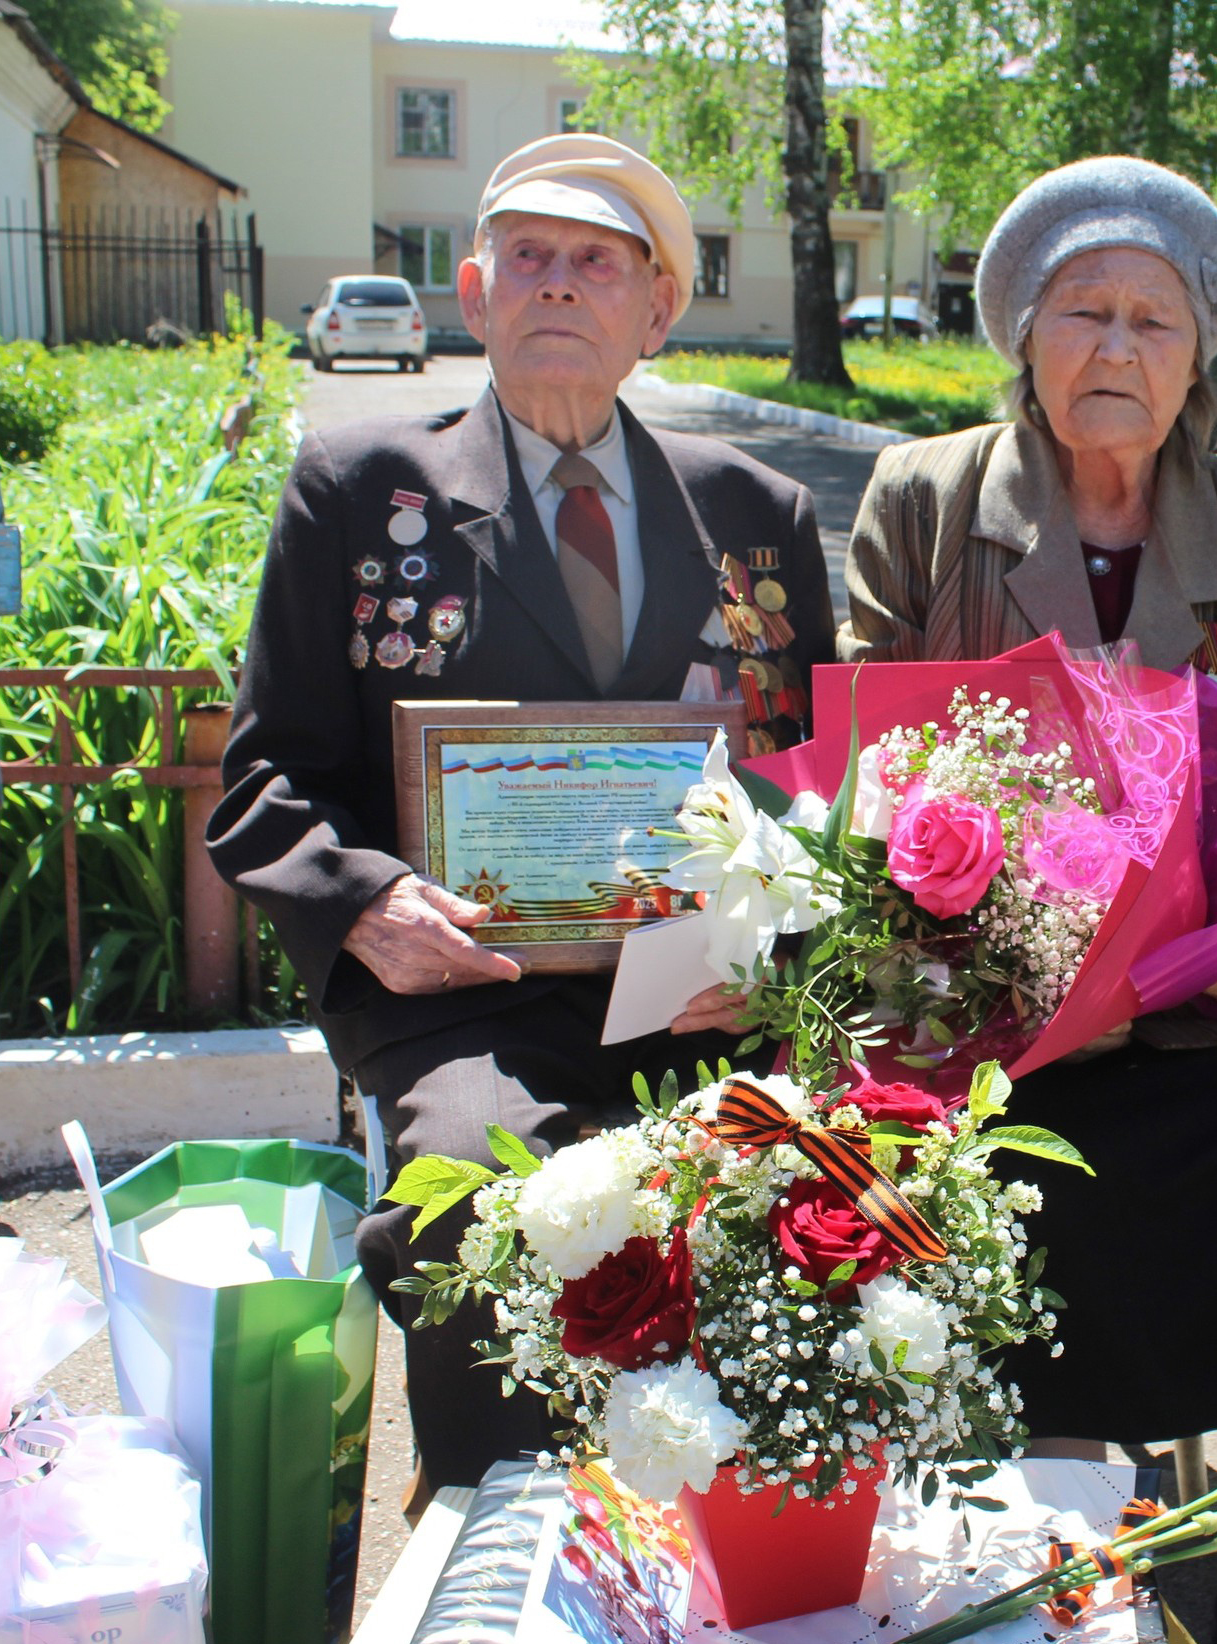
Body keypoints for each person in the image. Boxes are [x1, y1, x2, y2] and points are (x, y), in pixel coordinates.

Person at [208, 133, 834, 1495]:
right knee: (489, 1200)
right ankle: (504, 1541)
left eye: (597, 263)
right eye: (528, 260)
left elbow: (800, 784)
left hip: (698, 995)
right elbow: (268, 775)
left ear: (656, 310)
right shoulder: (359, 493)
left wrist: (760, 951)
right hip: (460, 996)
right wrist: (365, 903)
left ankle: (745, 1540)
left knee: (834, 1189)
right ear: (476, 297)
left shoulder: (756, 515)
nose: (559, 286)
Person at [837, 155, 1217, 1644]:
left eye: (1154, 319)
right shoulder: (924, 504)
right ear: (1021, 333)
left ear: (1199, 351)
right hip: (992, 1027)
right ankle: (1066, 1583)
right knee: (1011, 1202)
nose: (1116, 347)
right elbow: (859, 774)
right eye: (1081, 310)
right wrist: (955, 925)